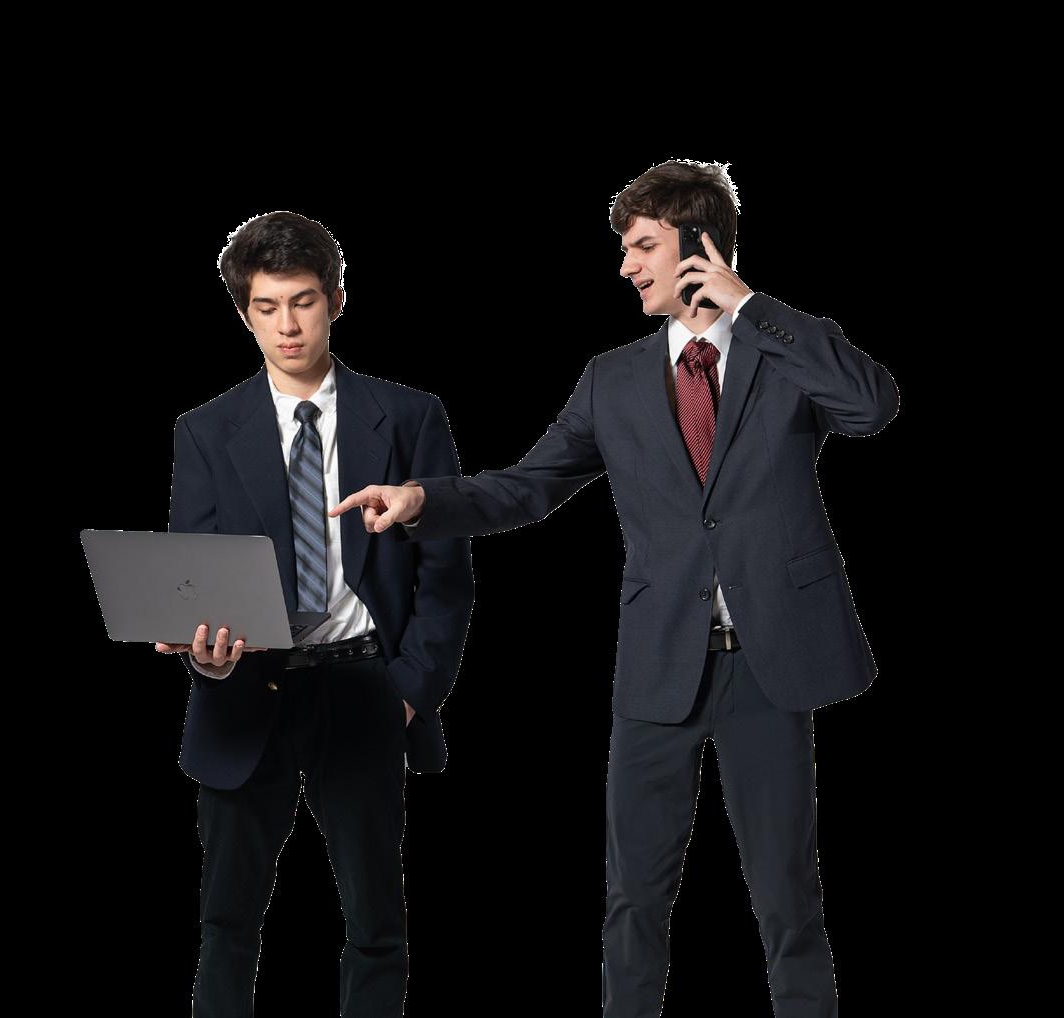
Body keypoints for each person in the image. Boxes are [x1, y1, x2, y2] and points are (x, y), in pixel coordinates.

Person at [329, 161, 900, 1017]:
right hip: (658, 667)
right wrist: (422, 500)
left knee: (786, 897)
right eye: (624, 249)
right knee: (634, 896)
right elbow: (529, 487)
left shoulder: (782, 348)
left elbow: (871, 409)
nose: (626, 266)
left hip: (769, 664)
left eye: (642, 246)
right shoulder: (612, 378)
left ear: (699, 245)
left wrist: (751, 306)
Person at [154, 210, 473, 1017]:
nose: (287, 325)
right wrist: (205, 657)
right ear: (244, 313)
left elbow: (445, 576)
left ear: (335, 299)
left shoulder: (409, 417)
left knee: (376, 923)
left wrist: (410, 691)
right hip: (244, 691)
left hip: (363, 685)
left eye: (302, 302)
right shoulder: (205, 430)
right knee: (225, 922)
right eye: (266, 307)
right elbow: (195, 576)